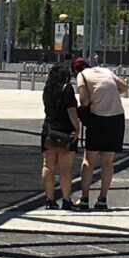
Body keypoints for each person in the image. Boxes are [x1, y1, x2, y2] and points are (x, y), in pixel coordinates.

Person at [73, 56, 129, 212]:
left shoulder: (81, 75)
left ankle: (84, 198)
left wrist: (94, 98)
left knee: (89, 160)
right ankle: (103, 199)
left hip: (98, 119)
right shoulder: (105, 70)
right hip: (117, 118)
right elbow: (124, 87)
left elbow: (84, 101)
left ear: (75, 70)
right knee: (107, 161)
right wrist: (107, 94)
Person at [38, 58, 81, 210]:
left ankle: (49, 200)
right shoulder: (66, 88)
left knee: (48, 166)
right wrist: (77, 128)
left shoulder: (47, 88)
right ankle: (66, 200)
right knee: (65, 168)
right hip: (65, 131)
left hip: (48, 129)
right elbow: (71, 111)